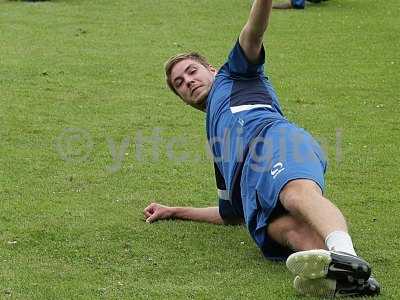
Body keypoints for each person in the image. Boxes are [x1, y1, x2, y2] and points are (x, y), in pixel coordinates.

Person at [143, 0, 380, 297]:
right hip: (251, 186)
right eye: (180, 83)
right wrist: (175, 211)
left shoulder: (236, 73)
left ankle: (345, 253)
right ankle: (348, 278)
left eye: (192, 71)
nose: (188, 81)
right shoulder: (217, 145)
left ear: (212, 69)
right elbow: (230, 214)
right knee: (283, 229)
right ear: (182, 99)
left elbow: (253, 33)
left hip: (274, 142)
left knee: (294, 194)